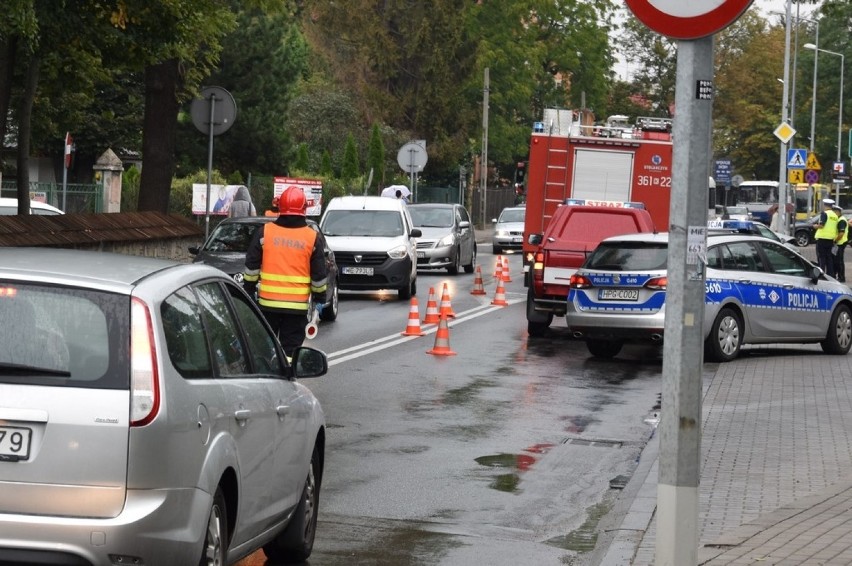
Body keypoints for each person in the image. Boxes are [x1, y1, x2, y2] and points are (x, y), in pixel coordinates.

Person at [243, 187, 328, 358]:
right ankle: (288, 378)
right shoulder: (312, 238)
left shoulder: (265, 232)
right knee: (290, 353)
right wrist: (319, 299)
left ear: (279, 208)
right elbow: (318, 277)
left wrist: (249, 289)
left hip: (267, 307)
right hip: (296, 310)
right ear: (304, 209)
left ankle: (266, 377)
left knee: (265, 352)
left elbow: (251, 268)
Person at [813, 198, 839, 278]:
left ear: (824, 205)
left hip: (822, 239)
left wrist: (815, 226)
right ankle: (830, 275)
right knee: (829, 258)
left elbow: (821, 225)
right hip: (830, 239)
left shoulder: (824, 213)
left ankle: (821, 275)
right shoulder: (835, 215)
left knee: (821, 258)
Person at [832, 204, 848, 283]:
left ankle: (841, 278)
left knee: (839, 261)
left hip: (840, 243)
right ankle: (839, 276)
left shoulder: (841, 220)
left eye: (834, 211)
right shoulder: (839, 219)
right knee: (837, 260)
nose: (833, 213)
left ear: (838, 211)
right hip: (839, 243)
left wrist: (835, 240)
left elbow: (841, 234)